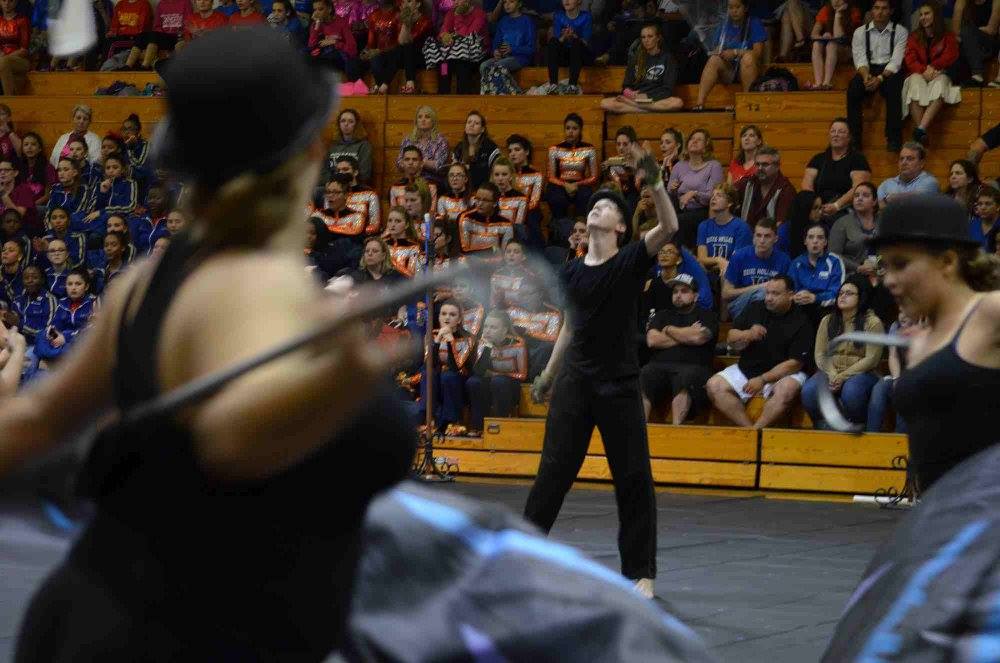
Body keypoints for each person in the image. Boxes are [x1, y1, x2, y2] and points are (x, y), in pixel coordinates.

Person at [7, 28, 415, 661]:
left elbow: (37, 417)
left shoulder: (149, 279)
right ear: (312, 149)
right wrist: (337, 378)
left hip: (89, 617)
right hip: (182, 639)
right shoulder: (257, 282)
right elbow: (228, 434)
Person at [525, 145, 679, 600]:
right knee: (552, 474)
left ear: (620, 226)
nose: (597, 208)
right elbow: (570, 326)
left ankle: (640, 572)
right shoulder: (571, 272)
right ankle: (520, 560)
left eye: (608, 206)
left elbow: (669, 227)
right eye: (594, 205)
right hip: (575, 382)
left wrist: (655, 184)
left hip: (619, 383)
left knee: (632, 478)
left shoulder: (630, 259)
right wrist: (548, 375)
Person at [869, 194, 1000, 492]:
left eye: (901, 264)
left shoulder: (990, 312)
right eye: (885, 266)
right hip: (939, 509)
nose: (888, 280)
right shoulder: (921, 339)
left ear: (947, 262)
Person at [707, 274, 813, 428]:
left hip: (783, 374)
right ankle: (750, 431)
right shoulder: (755, 307)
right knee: (714, 386)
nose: (768, 298)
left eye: (775, 294)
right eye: (767, 292)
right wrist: (747, 334)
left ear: (790, 295)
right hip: (748, 368)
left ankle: (758, 429)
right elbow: (730, 336)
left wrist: (763, 379)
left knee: (787, 389)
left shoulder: (802, 319)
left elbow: (794, 364)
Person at [801, 277, 884, 428]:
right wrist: (833, 374)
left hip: (863, 374)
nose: (842, 296)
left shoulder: (873, 322)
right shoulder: (827, 320)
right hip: (831, 372)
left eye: (849, 293)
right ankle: (823, 426)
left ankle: (858, 425)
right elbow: (820, 354)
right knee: (809, 390)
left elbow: (871, 359)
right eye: (840, 293)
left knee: (852, 391)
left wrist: (842, 376)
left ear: (861, 298)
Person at [640, 273, 717, 423]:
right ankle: (641, 429)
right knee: (644, 374)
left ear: (695, 296)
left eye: (684, 291)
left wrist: (668, 330)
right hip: (659, 365)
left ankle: (676, 428)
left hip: (694, 366)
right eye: (675, 292)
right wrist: (687, 334)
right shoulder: (662, 315)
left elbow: (699, 338)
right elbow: (652, 341)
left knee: (686, 377)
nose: (678, 295)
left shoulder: (707, 316)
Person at [847, 0, 907, 152]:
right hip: (868, 69)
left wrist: (880, 79)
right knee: (853, 89)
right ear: (871, 10)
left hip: (889, 71)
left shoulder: (900, 31)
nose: (880, 12)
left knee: (895, 89)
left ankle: (893, 138)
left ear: (891, 11)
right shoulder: (860, 32)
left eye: (884, 8)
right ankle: (854, 139)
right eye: (876, 8)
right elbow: (860, 59)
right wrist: (866, 77)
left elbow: (896, 61)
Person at [903, 2, 961, 146]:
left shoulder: (948, 36)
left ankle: (920, 129)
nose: (923, 17)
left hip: (939, 73)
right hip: (919, 73)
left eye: (927, 13)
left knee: (941, 83)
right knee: (914, 81)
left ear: (936, 15)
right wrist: (924, 70)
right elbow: (910, 59)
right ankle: (921, 132)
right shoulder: (914, 37)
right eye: (921, 14)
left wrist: (933, 67)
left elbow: (950, 55)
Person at [692, 0, 767, 110]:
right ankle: (700, 103)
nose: (734, 11)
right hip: (730, 70)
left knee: (748, 58)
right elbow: (717, 48)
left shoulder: (754, 22)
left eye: (737, 7)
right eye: (730, 7)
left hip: (750, 70)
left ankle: (745, 103)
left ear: (745, 8)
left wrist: (735, 52)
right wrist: (717, 52)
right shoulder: (724, 25)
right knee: (714, 59)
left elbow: (758, 53)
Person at [466, 308, 527, 434]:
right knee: (474, 382)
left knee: (498, 381)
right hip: (490, 385)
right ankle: (478, 426)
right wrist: (488, 346)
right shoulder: (484, 343)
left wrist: (495, 374)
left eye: (493, 327)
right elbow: (479, 371)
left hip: (510, 386)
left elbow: (523, 375)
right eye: (486, 326)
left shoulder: (518, 344)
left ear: (504, 330)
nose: (487, 331)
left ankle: (500, 425)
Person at [600, 22, 682, 113]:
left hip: (656, 98)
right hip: (636, 98)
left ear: (658, 38)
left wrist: (647, 96)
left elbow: (667, 89)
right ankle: (649, 109)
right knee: (605, 103)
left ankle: (639, 107)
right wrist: (630, 94)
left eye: (650, 36)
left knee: (677, 102)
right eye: (643, 37)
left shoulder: (668, 58)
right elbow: (626, 86)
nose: (646, 40)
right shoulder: (636, 59)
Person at [801, 117, 872, 223]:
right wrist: (815, 205)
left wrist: (836, 205)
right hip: (818, 208)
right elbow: (807, 184)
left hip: (845, 209)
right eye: (833, 131)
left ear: (849, 137)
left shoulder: (858, 159)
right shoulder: (818, 159)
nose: (836, 134)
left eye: (841, 132)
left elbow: (858, 188)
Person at [722, 217, 791, 319]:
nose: (762, 240)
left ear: (776, 238)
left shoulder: (784, 260)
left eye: (767, 236)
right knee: (762, 294)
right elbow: (726, 293)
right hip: (740, 306)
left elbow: (787, 293)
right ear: (753, 237)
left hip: (771, 306)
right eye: (758, 235)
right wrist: (759, 287)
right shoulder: (739, 256)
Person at [667, 129, 724, 250]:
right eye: (692, 139)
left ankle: (681, 255)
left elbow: (714, 195)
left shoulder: (713, 166)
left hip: (702, 210)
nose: (694, 141)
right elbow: (669, 192)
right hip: (680, 208)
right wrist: (673, 189)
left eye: (699, 140)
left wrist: (694, 194)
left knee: (680, 221)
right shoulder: (679, 166)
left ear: (706, 146)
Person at [545, 112, 598, 242]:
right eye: (568, 128)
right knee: (556, 197)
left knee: (586, 196)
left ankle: (583, 235)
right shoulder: (555, 149)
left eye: (574, 128)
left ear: (580, 130)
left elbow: (594, 176)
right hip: (560, 184)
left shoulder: (589, 149)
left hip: (580, 184)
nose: (571, 132)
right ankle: (560, 236)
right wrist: (565, 185)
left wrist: (576, 184)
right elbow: (551, 176)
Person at [865, 309, 918, 432]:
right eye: (900, 312)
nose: (902, 316)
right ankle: (871, 435)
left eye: (907, 311)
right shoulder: (895, 327)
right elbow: (893, 356)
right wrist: (896, 378)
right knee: (880, 388)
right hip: (901, 375)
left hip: (920, 378)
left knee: (904, 391)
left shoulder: (928, 326)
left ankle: (899, 437)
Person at [423, 0, 489, 94]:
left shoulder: (479, 14)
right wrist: (445, 37)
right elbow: (443, 31)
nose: (456, 2)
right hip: (454, 53)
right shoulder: (451, 13)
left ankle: (462, 97)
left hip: (475, 53)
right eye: (454, 0)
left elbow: (468, 35)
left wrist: (458, 17)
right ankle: (443, 95)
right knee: (443, 63)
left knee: (461, 62)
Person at [789, 222, 845, 326]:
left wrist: (815, 298)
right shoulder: (796, 263)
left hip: (826, 310)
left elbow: (838, 294)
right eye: (811, 237)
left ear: (825, 242)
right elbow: (790, 290)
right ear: (805, 241)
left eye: (820, 237)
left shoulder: (835, 261)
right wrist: (797, 297)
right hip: (800, 308)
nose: (815, 241)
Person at [696, 182, 752, 275]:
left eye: (719, 195)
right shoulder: (704, 226)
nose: (713, 198)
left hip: (732, 273)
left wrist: (719, 264)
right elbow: (702, 258)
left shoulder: (741, 227)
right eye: (713, 195)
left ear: (729, 203)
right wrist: (718, 260)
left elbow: (737, 261)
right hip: (709, 273)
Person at [806, 0, 862, 90]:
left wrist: (837, 15)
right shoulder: (826, 10)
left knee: (831, 45)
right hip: (830, 51)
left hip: (847, 50)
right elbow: (814, 34)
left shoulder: (854, 11)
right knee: (817, 44)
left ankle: (826, 83)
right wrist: (824, 37)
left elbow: (839, 37)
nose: (836, 1)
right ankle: (818, 83)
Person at [735, 146, 796, 228]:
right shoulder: (747, 183)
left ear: (777, 166)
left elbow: (781, 225)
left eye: (765, 164)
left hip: (771, 235)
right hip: (745, 233)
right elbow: (726, 196)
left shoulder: (786, 190)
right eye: (757, 164)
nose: (760, 168)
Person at [479, 0, 535, 89]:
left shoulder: (527, 21)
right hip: (503, 57)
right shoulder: (503, 20)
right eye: (505, 2)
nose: (507, 5)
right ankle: (490, 93)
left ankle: (512, 91)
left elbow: (531, 48)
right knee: (484, 66)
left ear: (519, 4)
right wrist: (495, 51)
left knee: (498, 66)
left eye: (511, 2)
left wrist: (513, 49)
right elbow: (497, 41)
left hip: (520, 57)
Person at [541, 0, 593, 94]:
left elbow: (586, 42)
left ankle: (572, 86)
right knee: (553, 41)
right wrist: (564, 36)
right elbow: (557, 41)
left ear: (579, 1)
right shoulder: (558, 16)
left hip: (580, 56)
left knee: (576, 43)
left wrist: (574, 36)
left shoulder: (586, 16)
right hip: (564, 55)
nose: (566, 1)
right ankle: (553, 84)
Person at [125, 0, 190, 69]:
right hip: (162, 36)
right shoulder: (161, 4)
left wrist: (182, 35)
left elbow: (188, 23)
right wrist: (161, 33)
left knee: (154, 36)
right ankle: (128, 65)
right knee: (142, 35)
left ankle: (145, 65)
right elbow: (156, 26)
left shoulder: (185, 2)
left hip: (176, 36)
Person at [830, 181, 879, 274]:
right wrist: (857, 268)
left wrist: (880, 265)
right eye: (856, 195)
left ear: (874, 201)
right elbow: (833, 255)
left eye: (865, 195)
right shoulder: (842, 223)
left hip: (879, 273)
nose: (859, 198)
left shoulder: (883, 223)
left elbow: (890, 251)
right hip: (850, 273)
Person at [952, 0, 1000, 88]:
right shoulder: (961, 2)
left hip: (988, 43)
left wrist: (972, 33)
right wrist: (969, 36)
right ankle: (960, 85)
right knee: (959, 45)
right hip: (968, 43)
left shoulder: (996, 1)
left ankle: (977, 74)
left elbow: (992, 30)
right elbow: (956, 31)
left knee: (967, 31)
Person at [308, 0, 361, 80]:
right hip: (327, 56)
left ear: (329, 9)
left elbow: (353, 50)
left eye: (320, 9)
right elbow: (311, 45)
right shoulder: (317, 24)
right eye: (315, 10)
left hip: (342, 58)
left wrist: (335, 42)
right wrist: (317, 25)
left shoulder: (341, 23)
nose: (317, 13)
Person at [458, 181, 512, 257]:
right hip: (471, 261)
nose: (480, 203)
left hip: (496, 262)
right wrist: (491, 250)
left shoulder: (506, 224)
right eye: (477, 199)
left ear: (495, 203)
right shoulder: (466, 219)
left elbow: (506, 255)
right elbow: (464, 251)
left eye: (485, 200)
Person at [396, 105, 449, 184]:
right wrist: (411, 164)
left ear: (433, 121)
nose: (423, 120)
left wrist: (420, 163)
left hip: (432, 180)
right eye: (420, 117)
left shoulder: (440, 141)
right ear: (416, 121)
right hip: (410, 179)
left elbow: (440, 165)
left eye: (427, 117)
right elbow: (399, 162)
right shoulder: (408, 140)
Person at [876, 141, 941, 204]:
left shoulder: (930, 182)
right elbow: (882, 207)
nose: (904, 163)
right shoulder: (886, 184)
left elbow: (917, 199)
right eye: (901, 159)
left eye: (910, 159)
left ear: (921, 163)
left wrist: (891, 198)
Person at [452, 110, 500, 191]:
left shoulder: (490, 147)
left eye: (476, 123)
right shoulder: (459, 148)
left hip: (484, 189)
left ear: (482, 129)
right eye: (469, 122)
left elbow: (495, 172)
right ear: (465, 127)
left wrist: (469, 168)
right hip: (463, 190)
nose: (472, 125)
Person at [326, 109, 373, 186]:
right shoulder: (332, 146)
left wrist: (347, 183)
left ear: (356, 125)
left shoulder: (364, 145)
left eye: (351, 121)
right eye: (343, 121)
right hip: (333, 185)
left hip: (354, 185)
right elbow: (324, 171)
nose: (346, 124)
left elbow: (365, 174)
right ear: (339, 124)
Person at [0, 0, 30, 97]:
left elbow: (24, 50)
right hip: (2, 58)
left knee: (3, 62)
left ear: (16, 2)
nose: (7, 4)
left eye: (10, 1)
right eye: (4, 0)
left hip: (20, 60)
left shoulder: (22, 20)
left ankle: (9, 99)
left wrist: (5, 58)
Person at [969, 185, 1000, 250]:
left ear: (998, 207)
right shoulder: (971, 225)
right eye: (980, 204)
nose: (983, 208)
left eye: (988, 204)